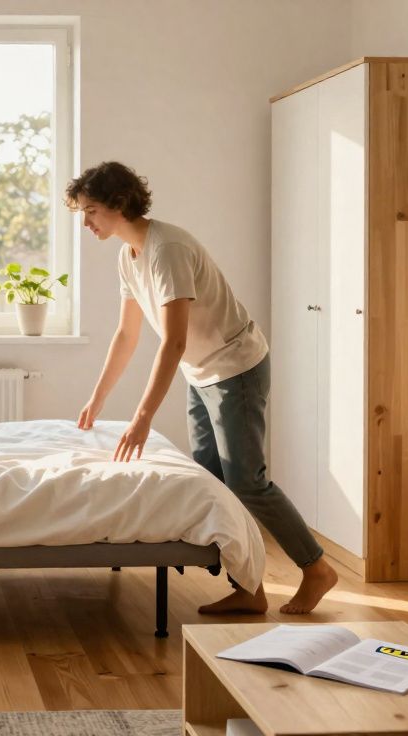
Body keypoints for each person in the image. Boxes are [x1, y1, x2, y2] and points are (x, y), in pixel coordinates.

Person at [68, 161, 337, 615]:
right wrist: (98, 398)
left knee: (247, 483)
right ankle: (250, 589)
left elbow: (172, 341)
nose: (86, 222)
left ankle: (317, 569)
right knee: (213, 482)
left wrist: (142, 419)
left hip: (236, 368)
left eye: (91, 211)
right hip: (201, 371)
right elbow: (127, 336)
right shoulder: (128, 256)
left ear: (118, 204)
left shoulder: (167, 249)